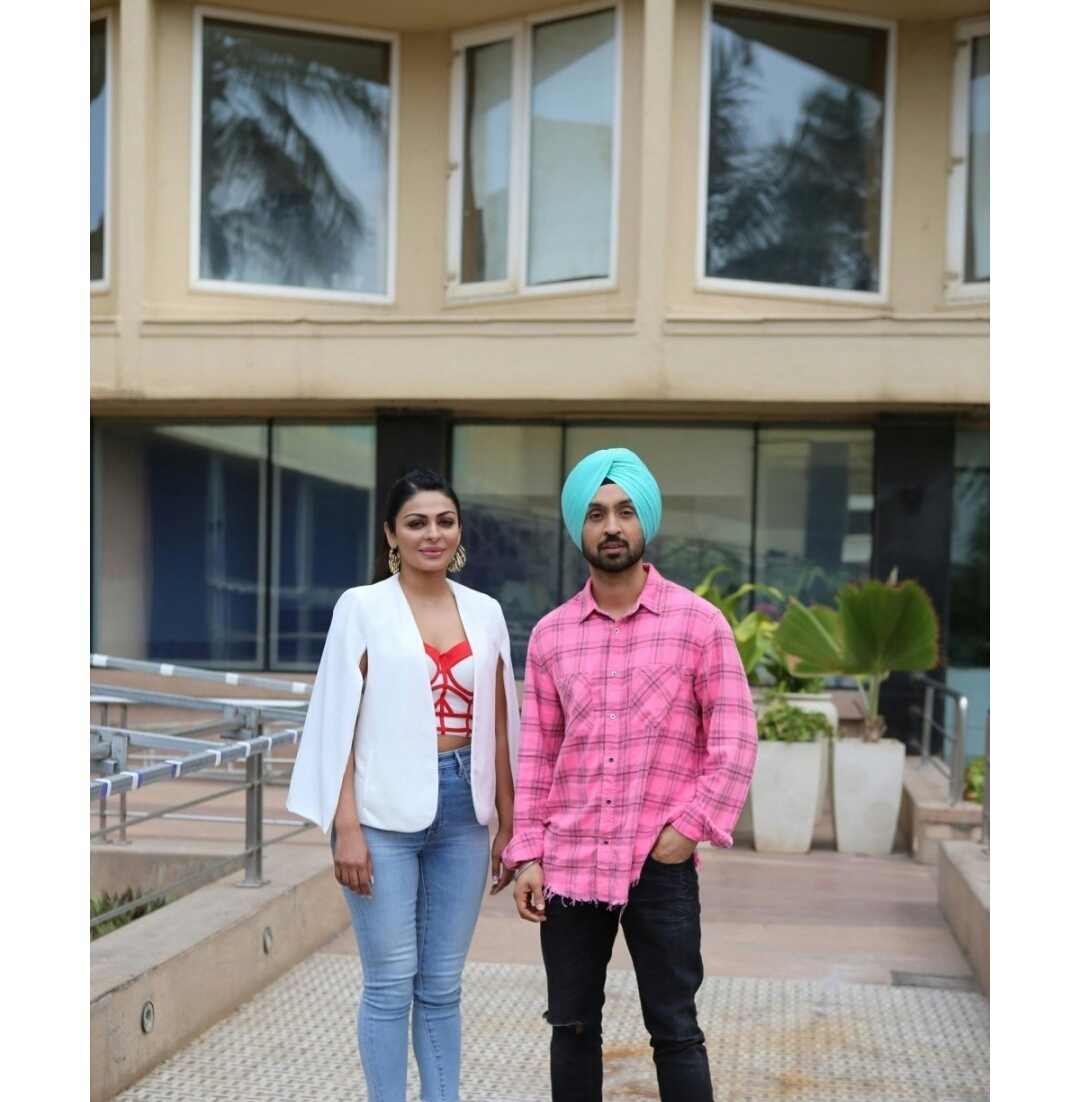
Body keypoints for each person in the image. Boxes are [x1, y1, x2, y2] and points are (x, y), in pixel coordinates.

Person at [504, 447, 757, 1102]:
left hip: (660, 865)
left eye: (622, 511)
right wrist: (529, 853)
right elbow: (537, 754)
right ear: (578, 528)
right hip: (571, 865)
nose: (610, 526)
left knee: (675, 1029)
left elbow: (733, 739)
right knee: (573, 1027)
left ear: (645, 520)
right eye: (594, 514)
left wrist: (688, 829)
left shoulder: (698, 624)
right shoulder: (553, 635)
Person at [286, 468, 519, 1102]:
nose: (432, 533)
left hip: (462, 814)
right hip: (380, 815)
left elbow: (499, 724)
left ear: (459, 530)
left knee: (442, 986)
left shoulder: (487, 612)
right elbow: (336, 723)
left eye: (445, 520)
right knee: (390, 983)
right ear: (392, 533)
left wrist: (509, 825)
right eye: (416, 522)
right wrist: (347, 828)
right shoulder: (360, 608)